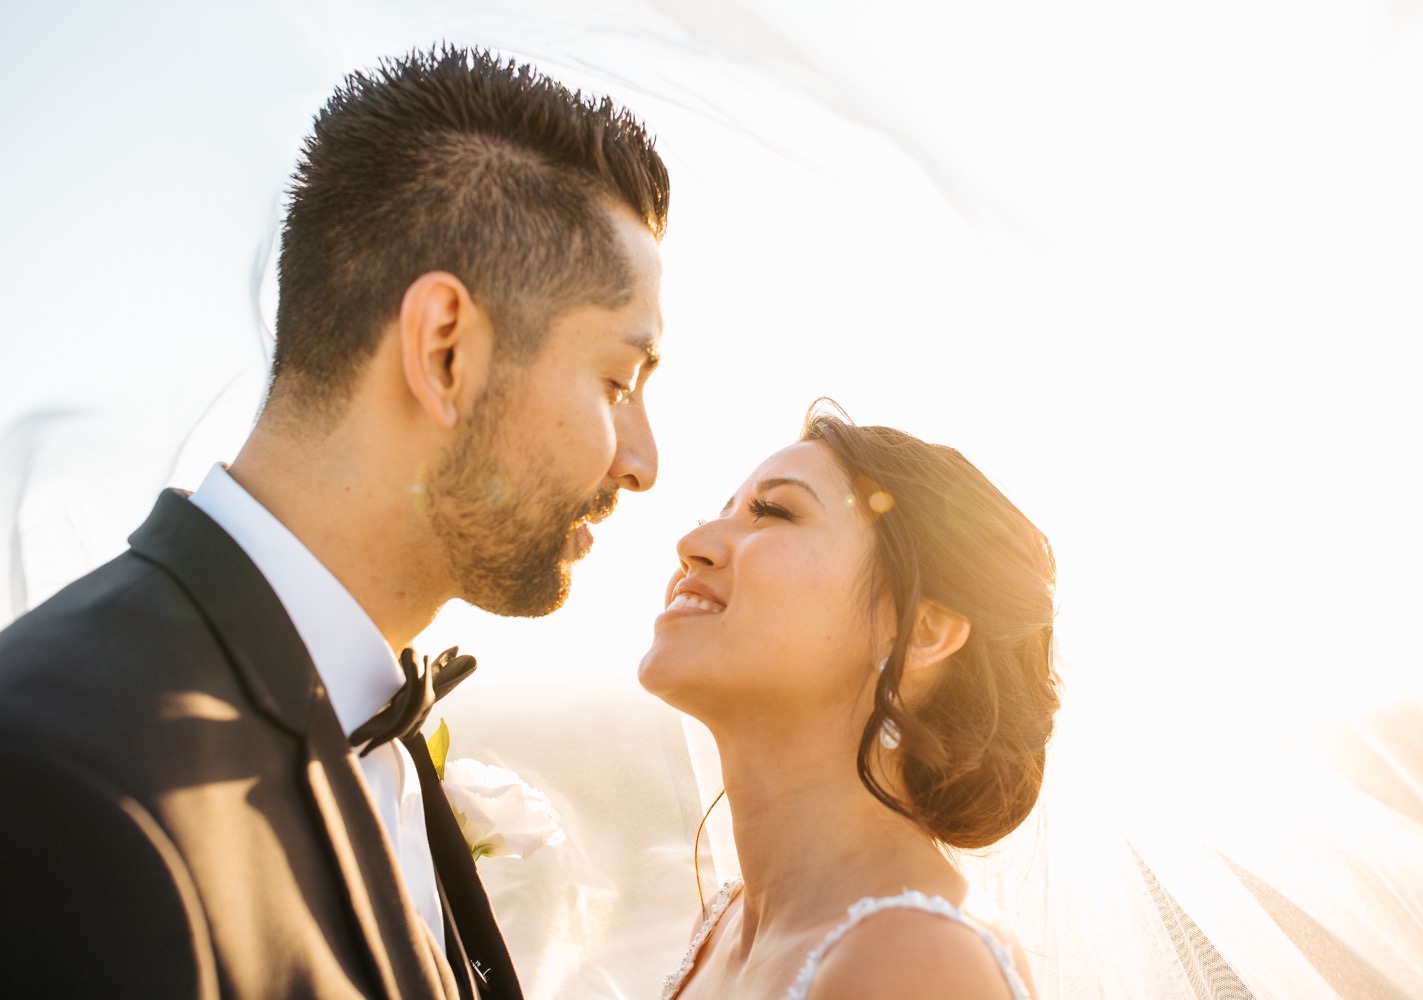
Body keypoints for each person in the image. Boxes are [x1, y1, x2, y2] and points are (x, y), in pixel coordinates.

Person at [0, 46, 668, 998]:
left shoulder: (374, 728)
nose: (641, 463)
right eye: (616, 382)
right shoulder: (63, 786)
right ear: (445, 351)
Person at [639, 406, 1059, 999]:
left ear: (919, 634)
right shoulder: (728, 920)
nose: (692, 544)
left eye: (775, 513)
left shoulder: (912, 962)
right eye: (720, 512)